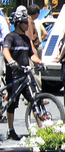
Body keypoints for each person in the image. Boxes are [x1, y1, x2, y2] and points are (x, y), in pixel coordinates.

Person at [3, 10, 42, 140]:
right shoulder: (10, 36)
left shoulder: (26, 38)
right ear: (18, 23)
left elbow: (32, 55)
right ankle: (11, 129)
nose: (27, 25)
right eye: (25, 23)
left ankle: (41, 127)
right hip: (14, 74)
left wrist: (40, 62)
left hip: (26, 74)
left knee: (34, 100)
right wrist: (11, 61)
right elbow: (5, 50)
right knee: (12, 103)